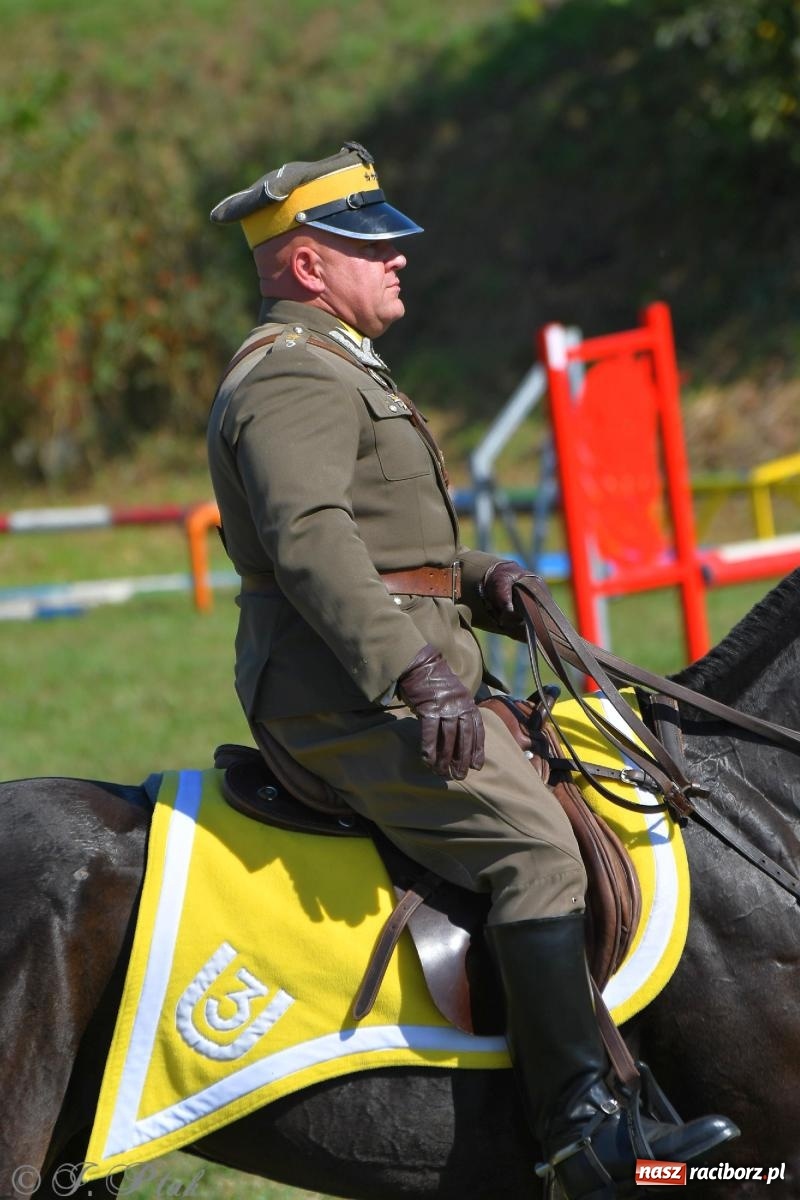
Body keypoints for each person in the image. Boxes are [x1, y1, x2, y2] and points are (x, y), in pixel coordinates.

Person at [207, 142, 736, 1197]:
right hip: (339, 696)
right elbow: (309, 541)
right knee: (535, 851)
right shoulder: (293, 375)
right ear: (308, 266)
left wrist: (478, 576)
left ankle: (627, 1089)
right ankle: (576, 1137)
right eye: (372, 245)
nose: (399, 257)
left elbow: (378, 537)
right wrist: (416, 673)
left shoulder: (337, 362)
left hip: (399, 664)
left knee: (586, 793)